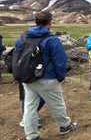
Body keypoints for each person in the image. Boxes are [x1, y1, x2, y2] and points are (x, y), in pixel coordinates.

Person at [14, 11, 79, 140]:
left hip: (28, 77)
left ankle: (32, 135)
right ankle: (65, 125)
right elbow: (60, 61)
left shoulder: (23, 37)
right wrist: (60, 77)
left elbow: (16, 55)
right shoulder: (52, 40)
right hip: (48, 78)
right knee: (56, 104)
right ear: (49, 23)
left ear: (36, 22)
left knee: (29, 106)